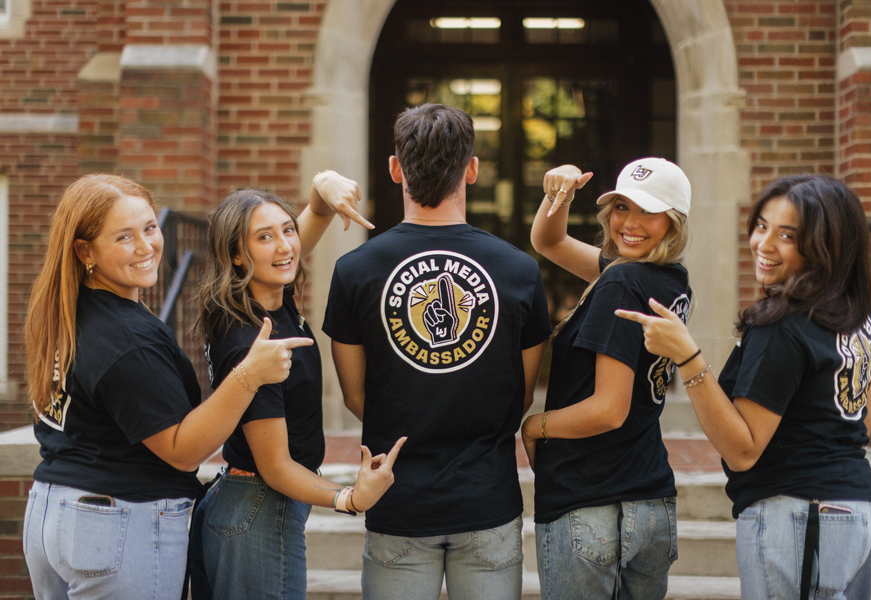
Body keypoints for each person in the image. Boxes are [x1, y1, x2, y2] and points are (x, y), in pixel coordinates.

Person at [22, 174, 309, 600]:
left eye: (150, 228)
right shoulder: (127, 340)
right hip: (118, 522)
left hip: (52, 511)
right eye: (124, 237)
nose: (146, 247)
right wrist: (249, 375)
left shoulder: (72, 312)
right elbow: (182, 449)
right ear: (85, 251)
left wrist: (317, 210)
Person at [617, 174, 871, 600]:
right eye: (762, 226)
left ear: (826, 246)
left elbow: (742, 451)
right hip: (864, 516)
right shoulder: (858, 316)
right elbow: (865, 421)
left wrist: (687, 357)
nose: (764, 244)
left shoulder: (782, 323)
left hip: (800, 516)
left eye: (788, 235)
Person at [322, 104, 551, 600]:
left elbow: (356, 396)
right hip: (487, 499)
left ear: (395, 168)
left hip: (397, 500)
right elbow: (522, 394)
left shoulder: (354, 270)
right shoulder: (519, 271)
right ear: (472, 169)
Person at [189, 173, 405, 600]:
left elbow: (318, 211)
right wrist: (350, 498)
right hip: (258, 508)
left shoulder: (267, 297)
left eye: (287, 229)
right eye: (264, 237)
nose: (285, 246)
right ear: (236, 255)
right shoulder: (253, 339)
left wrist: (325, 183)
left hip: (254, 506)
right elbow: (276, 465)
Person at [522, 157, 692, 600]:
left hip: (590, 498)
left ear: (674, 223)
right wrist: (559, 195)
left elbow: (608, 409)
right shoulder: (668, 279)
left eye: (649, 212)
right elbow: (549, 241)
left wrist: (535, 426)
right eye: (621, 207)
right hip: (650, 499)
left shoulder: (621, 282)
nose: (630, 223)